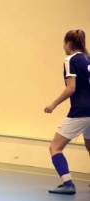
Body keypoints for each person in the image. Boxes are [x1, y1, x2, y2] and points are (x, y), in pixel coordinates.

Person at [44, 29, 90, 194]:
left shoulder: (70, 60)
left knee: (55, 148)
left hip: (81, 110)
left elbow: (71, 88)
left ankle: (68, 184)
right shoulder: (88, 58)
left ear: (68, 44)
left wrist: (53, 104)